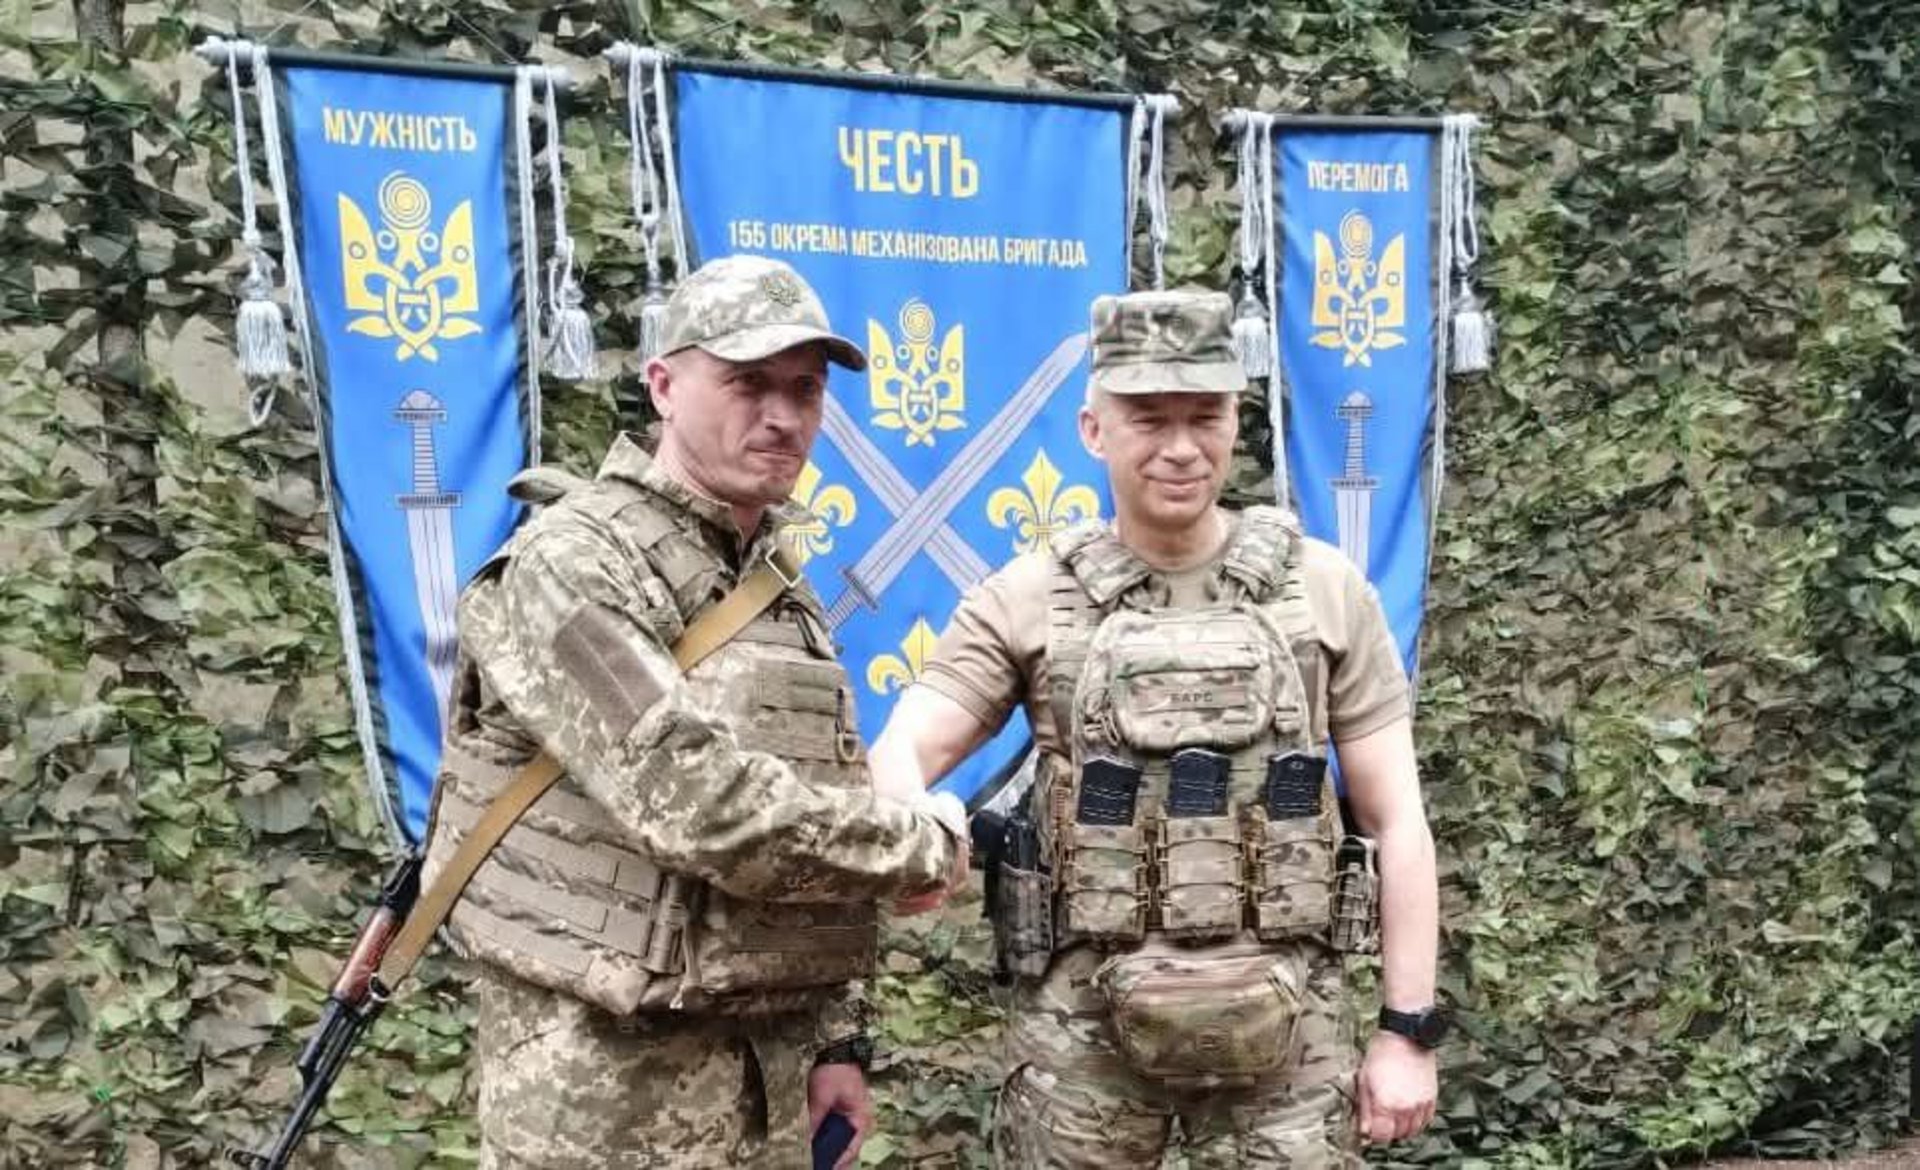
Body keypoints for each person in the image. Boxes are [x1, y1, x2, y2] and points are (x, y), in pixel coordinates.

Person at [872, 289, 1443, 1167]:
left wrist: (1407, 1031)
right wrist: (920, 816)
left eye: (1204, 415)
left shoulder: (1325, 591)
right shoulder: (1029, 597)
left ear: (1235, 419)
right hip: (1080, 1041)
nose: (1181, 447)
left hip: (1289, 1035)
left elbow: (1397, 819)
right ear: (1094, 429)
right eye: (1147, 418)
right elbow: (904, 748)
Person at [421, 254, 969, 1170]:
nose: (783, 415)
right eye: (748, 383)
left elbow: (815, 795)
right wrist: (922, 847)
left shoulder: (771, 587)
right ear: (664, 386)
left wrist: (835, 1042)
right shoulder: (574, 565)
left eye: (805, 389)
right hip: (600, 1098)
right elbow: (702, 804)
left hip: (767, 1081)